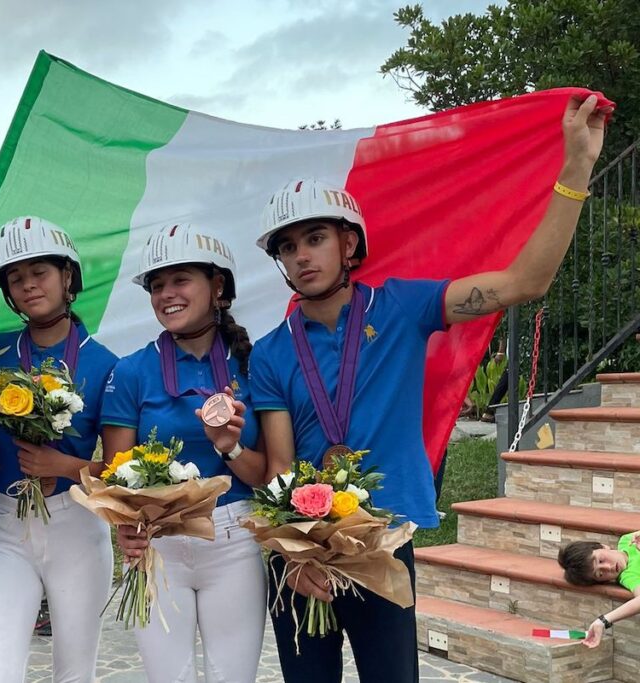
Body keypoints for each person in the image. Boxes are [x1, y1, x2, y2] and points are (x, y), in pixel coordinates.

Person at [249, 94, 609, 681]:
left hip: (383, 541)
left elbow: (527, 280)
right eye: (286, 247)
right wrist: (291, 556)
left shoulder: (402, 307)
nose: (300, 255)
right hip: (303, 552)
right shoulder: (269, 353)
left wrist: (575, 169)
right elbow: (280, 466)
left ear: (349, 244)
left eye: (314, 237)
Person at [104, 224, 268, 681]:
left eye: (180, 280)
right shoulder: (131, 370)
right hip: (158, 542)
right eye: (157, 285)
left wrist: (231, 447)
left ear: (218, 287)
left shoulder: (256, 363)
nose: (166, 294)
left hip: (234, 539)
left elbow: (266, 476)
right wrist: (125, 529)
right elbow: (117, 476)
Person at [0, 216, 118, 682]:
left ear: (68, 277)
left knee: (75, 671)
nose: (28, 286)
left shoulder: (106, 363)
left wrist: (65, 465)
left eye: (39, 273)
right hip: (1, 525)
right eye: (16, 279)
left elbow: (121, 474)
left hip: (74, 524)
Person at [558, 534, 640, 648]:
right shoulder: (628, 576)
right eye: (600, 574)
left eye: (601, 560)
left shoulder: (626, 541)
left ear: (603, 546)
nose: (608, 567)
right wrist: (602, 621)